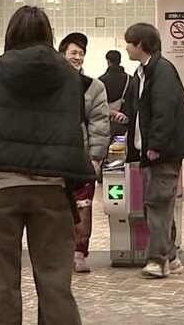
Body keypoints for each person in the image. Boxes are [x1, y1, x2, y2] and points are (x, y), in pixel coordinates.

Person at [0, 6, 95, 325]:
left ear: (11, 36)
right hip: (51, 187)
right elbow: (75, 124)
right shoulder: (69, 76)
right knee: (55, 283)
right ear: (49, 36)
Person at [120, 22, 184, 280]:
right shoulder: (142, 73)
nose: (126, 47)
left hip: (162, 153)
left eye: (129, 42)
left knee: (157, 204)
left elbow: (164, 109)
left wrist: (156, 144)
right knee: (158, 206)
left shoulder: (162, 71)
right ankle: (171, 258)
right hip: (147, 152)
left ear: (141, 44)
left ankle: (157, 260)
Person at [59, 32, 110, 273]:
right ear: (62, 55)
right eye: (73, 53)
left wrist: (96, 157)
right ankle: (60, 251)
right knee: (56, 207)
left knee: (83, 206)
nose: (77, 57)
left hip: (82, 155)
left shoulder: (94, 87)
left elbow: (99, 122)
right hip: (55, 157)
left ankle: (80, 252)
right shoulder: (52, 81)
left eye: (81, 53)